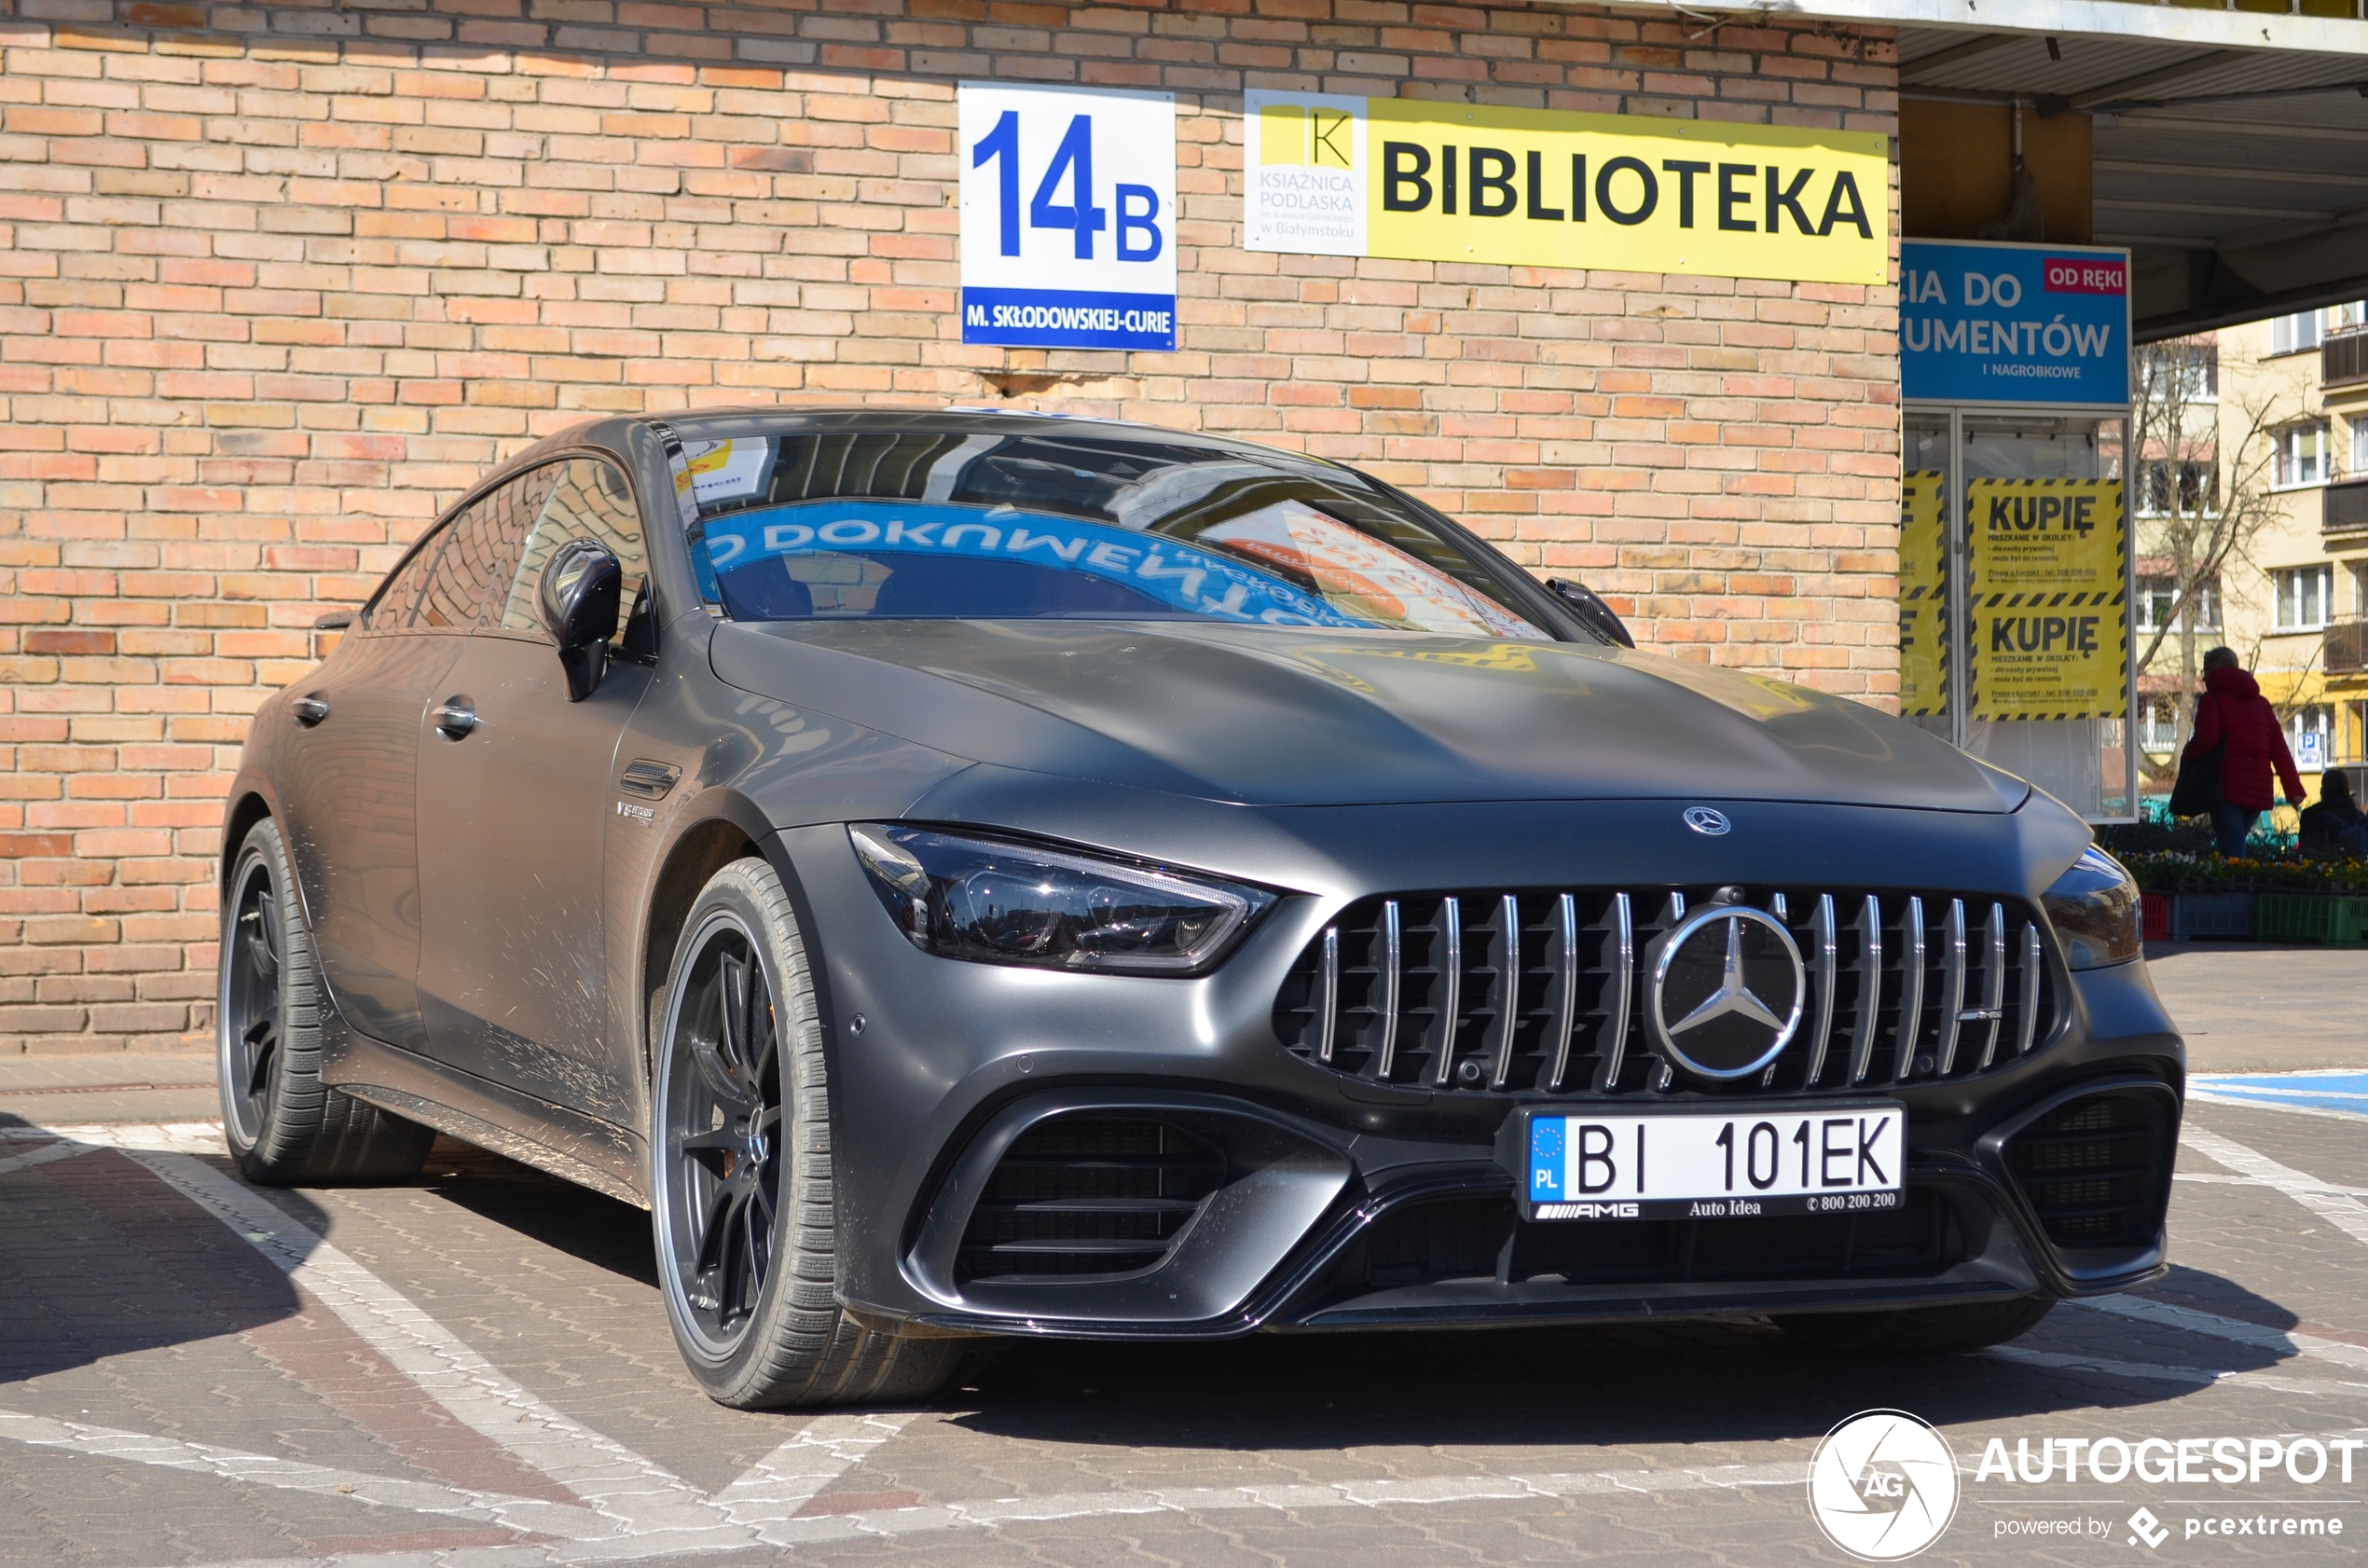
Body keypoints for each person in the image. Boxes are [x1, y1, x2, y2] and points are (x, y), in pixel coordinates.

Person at [2182, 647, 2305, 859]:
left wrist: (2188, 754)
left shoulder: (2213, 699)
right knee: (2235, 848)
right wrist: (2293, 789)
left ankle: (2236, 891)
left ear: (2217, 669)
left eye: (2206, 671)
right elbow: (2280, 750)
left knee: (2233, 855)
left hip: (2226, 788)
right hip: (2258, 790)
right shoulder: (2262, 704)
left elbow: (2207, 738)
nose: (2204, 677)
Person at [2299, 769, 2368, 860]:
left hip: (2328, 871)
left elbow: (2309, 852)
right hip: (2359, 870)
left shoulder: (2315, 818)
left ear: (2325, 790)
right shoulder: (2359, 816)